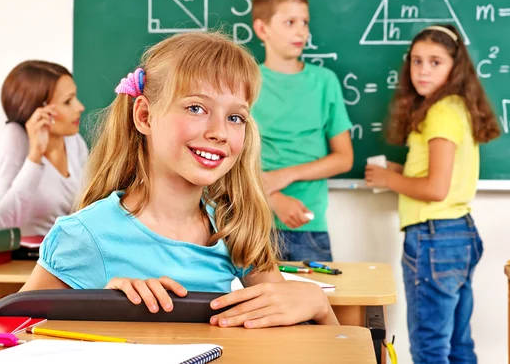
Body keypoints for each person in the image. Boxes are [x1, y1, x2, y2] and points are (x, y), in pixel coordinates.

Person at [21, 32, 338, 329]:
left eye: (235, 117)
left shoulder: (231, 228)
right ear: (145, 116)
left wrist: (320, 306)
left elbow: (305, 342)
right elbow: (6, 336)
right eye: (197, 108)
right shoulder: (83, 235)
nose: (219, 132)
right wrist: (99, 306)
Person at [365, 24, 501, 363]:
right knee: (458, 345)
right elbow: (441, 177)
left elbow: (435, 188)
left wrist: (387, 177)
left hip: (434, 236)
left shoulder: (439, 113)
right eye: (416, 61)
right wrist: (398, 173)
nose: (423, 70)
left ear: (455, 66)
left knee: (430, 349)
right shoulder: (456, 108)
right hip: (459, 233)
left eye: (435, 62)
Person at [251, 0, 353, 262]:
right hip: (254, 224)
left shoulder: (325, 83)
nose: (301, 31)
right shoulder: (247, 83)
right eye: (290, 22)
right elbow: (230, 161)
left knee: (315, 303)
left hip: (309, 227)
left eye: (305, 22)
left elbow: (344, 158)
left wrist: (288, 174)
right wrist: (273, 199)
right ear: (262, 29)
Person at [0, 60, 87, 236]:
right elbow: (3, 222)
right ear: (39, 109)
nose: (80, 107)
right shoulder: (13, 136)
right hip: (27, 257)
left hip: (70, 251)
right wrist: (35, 155)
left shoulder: (74, 141)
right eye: (68, 101)